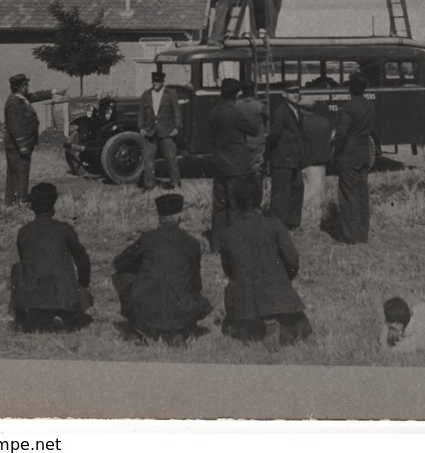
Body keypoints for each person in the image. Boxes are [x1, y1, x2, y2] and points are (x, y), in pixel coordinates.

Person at [220, 175, 312, 351]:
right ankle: (275, 325)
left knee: (238, 323)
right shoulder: (273, 225)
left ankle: (253, 328)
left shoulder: (228, 233)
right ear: (260, 198)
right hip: (276, 295)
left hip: (244, 304)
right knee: (304, 327)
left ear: (235, 200)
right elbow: (293, 260)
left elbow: (229, 271)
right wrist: (283, 279)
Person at [112, 193, 212, 342]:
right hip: (180, 309)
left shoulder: (147, 238)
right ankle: (176, 329)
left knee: (121, 275)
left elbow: (119, 263)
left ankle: (141, 326)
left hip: (147, 310)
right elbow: (196, 283)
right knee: (200, 301)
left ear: (159, 217)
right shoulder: (192, 243)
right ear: (180, 216)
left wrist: (142, 267)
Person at [9, 182, 92, 333]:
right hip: (62, 297)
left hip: (33, 297)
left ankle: (26, 315)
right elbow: (83, 261)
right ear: (54, 204)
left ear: (32, 207)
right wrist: (82, 286)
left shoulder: (24, 231)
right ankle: (62, 317)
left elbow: (26, 263)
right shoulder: (64, 229)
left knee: (17, 267)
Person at [209, 78, 261, 251]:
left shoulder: (214, 112)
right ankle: (235, 245)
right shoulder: (236, 113)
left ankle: (216, 245)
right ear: (237, 93)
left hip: (219, 164)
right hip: (237, 165)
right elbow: (254, 129)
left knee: (219, 205)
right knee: (235, 206)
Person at [3, 73, 65, 207]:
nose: (28, 86)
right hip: (18, 144)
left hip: (18, 144)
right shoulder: (15, 102)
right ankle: (21, 201)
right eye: (26, 84)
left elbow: (36, 96)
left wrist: (54, 91)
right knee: (21, 171)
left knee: (15, 171)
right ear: (20, 87)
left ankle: (10, 202)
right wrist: (22, 144)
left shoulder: (20, 98)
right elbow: (15, 125)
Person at [332, 69, 377, 243]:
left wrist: (336, 152)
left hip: (348, 154)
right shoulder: (370, 105)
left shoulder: (348, 107)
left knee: (348, 194)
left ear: (351, 88)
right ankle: (362, 233)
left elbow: (342, 133)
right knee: (361, 193)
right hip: (363, 152)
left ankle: (350, 236)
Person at [265, 84, 305, 230]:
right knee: (281, 194)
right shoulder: (282, 111)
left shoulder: (296, 110)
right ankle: (277, 227)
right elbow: (274, 135)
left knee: (297, 188)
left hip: (293, 159)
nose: (296, 94)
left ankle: (292, 223)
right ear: (284, 94)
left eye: (297, 91)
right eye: (292, 92)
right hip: (283, 158)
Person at [139, 69, 182, 190]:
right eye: (153, 82)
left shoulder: (170, 93)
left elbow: (177, 111)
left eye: (157, 82)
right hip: (150, 130)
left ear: (162, 82)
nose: (155, 84)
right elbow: (141, 112)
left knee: (170, 157)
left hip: (167, 130)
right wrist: (141, 127)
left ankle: (175, 183)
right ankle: (149, 185)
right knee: (149, 158)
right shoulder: (146, 95)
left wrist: (177, 127)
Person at [300, 104, 332, 227]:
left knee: (308, 190)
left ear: (304, 109)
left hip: (307, 161)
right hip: (321, 160)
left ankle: (307, 219)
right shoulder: (324, 121)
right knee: (319, 190)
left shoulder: (302, 122)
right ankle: (318, 217)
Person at [235, 82, 269, 176]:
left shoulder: (236, 105)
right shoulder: (259, 105)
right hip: (257, 141)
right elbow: (266, 118)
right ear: (254, 90)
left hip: (241, 141)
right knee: (256, 168)